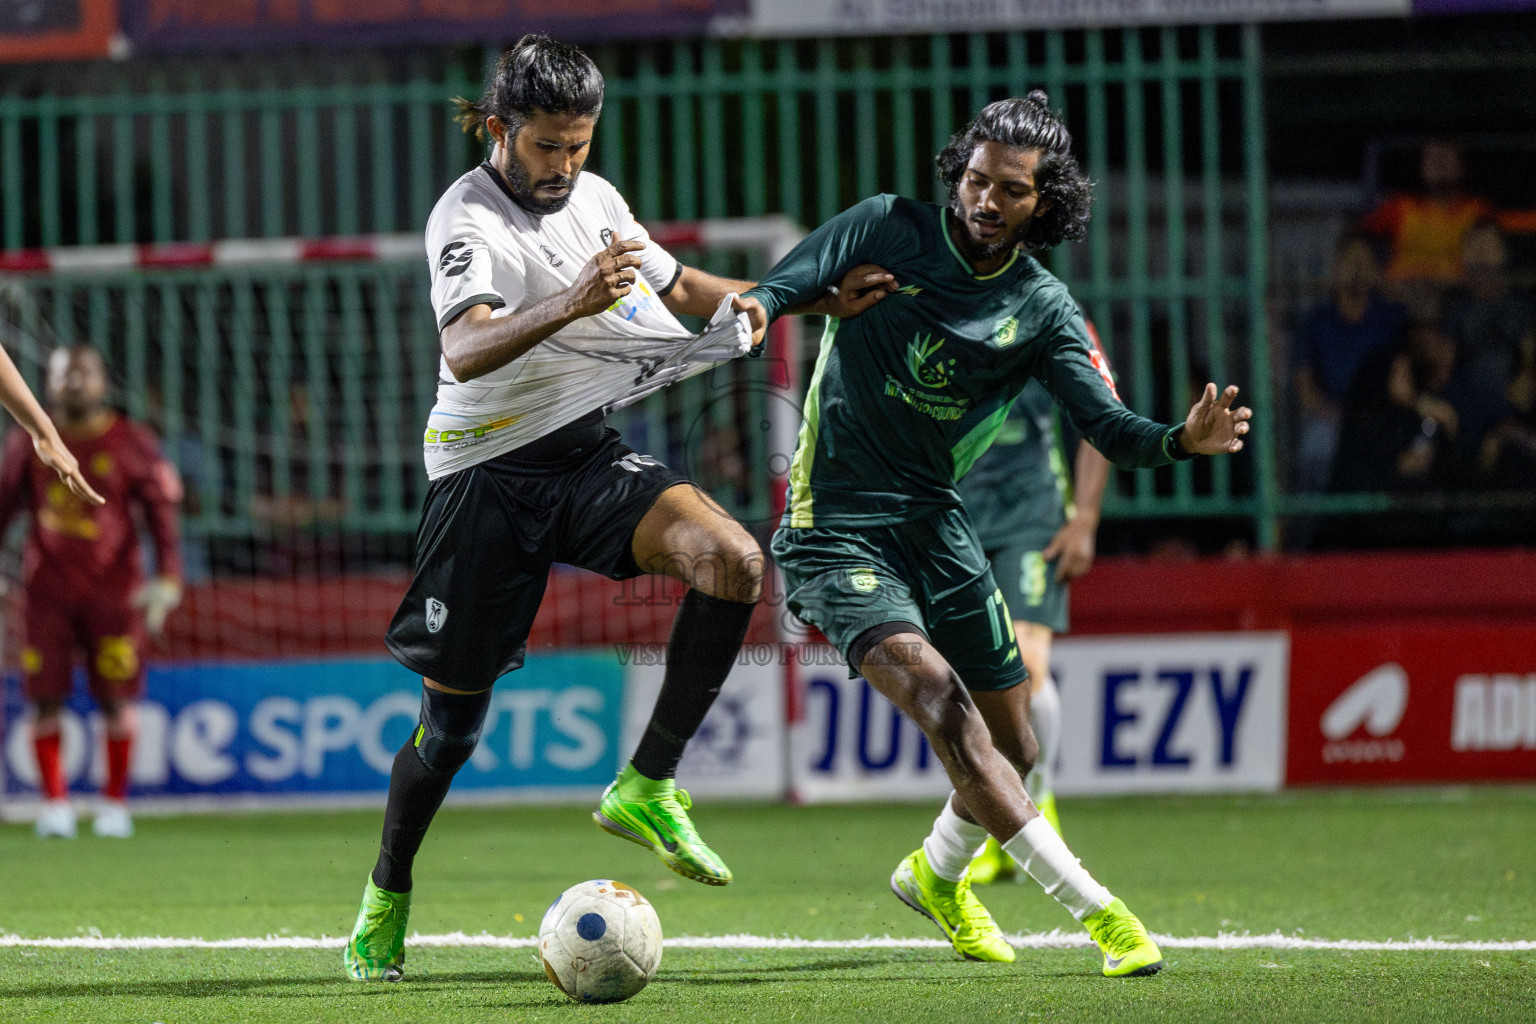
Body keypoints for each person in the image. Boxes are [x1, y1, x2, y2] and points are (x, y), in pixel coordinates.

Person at [343, 35, 872, 982]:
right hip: (483, 478)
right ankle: (387, 891)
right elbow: (467, 349)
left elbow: (682, 289)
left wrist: (806, 298)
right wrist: (576, 298)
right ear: (503, 130)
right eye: (549, 146)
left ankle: (647, 785)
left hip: (582, 454)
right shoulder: (462, 217)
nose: (567, 167)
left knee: (733, 561)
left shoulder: (596, 199)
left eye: (581, 145)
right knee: (450, 732)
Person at [745, 92, 1251, 977]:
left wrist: (1179, 440)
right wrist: (756, 308)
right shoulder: (888, 229)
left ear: (1046, 202)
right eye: (975, 179)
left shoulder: (1044, 308)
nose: (984, 200)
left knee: (1016, 747)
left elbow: (1111, 427)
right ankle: (1103, 916)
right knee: (945, 704)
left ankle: (936, 875)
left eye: (1010, 190)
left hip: (937, 525)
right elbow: (783, 283)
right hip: (833, 527)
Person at [0, 344, 182, 840]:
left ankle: (114, 804)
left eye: (83, 373)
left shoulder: (130, 440)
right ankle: (55, 804)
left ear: (104, 383)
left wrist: (168, 575)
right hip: (47, 592)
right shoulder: (30, 443)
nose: (73, 382)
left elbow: (161, 511)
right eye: (62, 374)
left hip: (116, 595)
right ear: (48, 382)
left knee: (118, 701)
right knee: (43, 700)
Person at [958, 370, 1111, 885]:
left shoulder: (1047, 312)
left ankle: (1032, 805)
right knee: (971, 678)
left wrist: (1085, 516)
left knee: (1024, 663)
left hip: (1032, 513)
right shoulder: (923, 308)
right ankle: (995, 826)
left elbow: (1101, 414)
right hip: (953, 516)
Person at [1291, 234, 1407, 492]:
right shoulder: (1316, 321)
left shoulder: (1392, 318)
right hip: (1332, 419)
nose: (1356, 270)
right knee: (1316, 450)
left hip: (1384, 421)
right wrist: (1340, 418)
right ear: (1335, 268)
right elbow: (1305, 389)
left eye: (1363, 262)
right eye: (1349, 261)